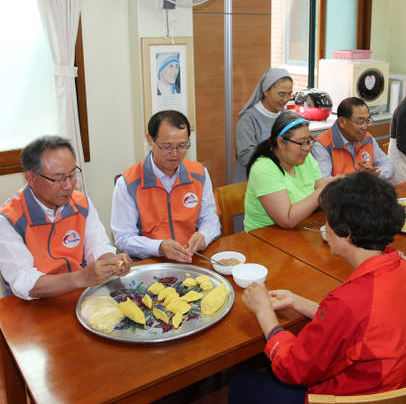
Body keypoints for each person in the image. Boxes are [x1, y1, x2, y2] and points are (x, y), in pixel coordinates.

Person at [231, 172, 406, 403]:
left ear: (346, 232)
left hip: (358, 395)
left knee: (242, 384)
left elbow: (293, 368)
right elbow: (362, 328)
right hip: (402, 388)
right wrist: (297, 301)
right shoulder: (404, 269)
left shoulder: (350, 301)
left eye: (327, 220)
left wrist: (263, 312)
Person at [0, 136, 132, 300]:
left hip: (78, 294)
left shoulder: (81, 202)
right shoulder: (8, 219)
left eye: (71, 175)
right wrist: (80, 278)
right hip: (33, 304)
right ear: (31, 178)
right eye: (58, 179)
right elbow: (23, 281)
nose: (68, 186)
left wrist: (112, 263)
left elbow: (98, 246)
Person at [111, 110, 220, 263]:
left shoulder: (199, 174)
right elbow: (123, 238)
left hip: (191, 258)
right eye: (167, 146)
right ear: (150, 140)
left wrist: (204, 235)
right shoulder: (128, 183)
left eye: (182, 146)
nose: (175, 153)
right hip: (152, 261)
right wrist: (159, 247)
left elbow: (210, 219)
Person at [243, 111, 333, 232]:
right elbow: (287, 219)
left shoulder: (304, 157)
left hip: (300, 229)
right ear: (280, 142)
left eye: (309, 141)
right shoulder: (263, 168)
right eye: (301, 143)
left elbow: (322, 189)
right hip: (264, 237)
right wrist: (323, 191)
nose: (307, 148)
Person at [233, 68, 294, 183]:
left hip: (278, 180)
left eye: (289, 94)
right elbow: (245, 157)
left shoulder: (286, 116)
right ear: (266, 91)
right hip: (252, 182)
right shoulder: (248, 120)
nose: (285, 99)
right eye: (281, 94)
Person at [310, 97, 394, 180]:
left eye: (367, 121)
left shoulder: (367, 138)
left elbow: (388, 164)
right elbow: (324, 182)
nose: (365, 127)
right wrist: (357, 178)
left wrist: (376, 173)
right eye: (360, 122)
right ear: (342, 122)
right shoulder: (322, 146)